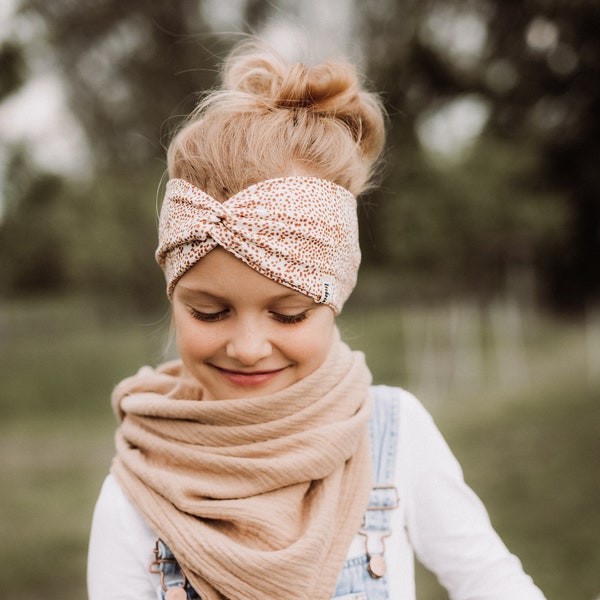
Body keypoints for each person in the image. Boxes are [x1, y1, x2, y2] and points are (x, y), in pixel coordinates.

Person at [87, 41, 547, 600]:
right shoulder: (137, 490)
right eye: (210, 312)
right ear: (173, 297)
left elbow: (493, 584)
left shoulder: (394, 437)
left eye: (289, 313)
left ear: (336, 298)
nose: (250, 347)